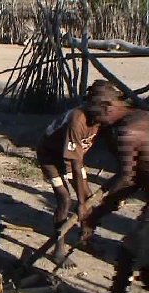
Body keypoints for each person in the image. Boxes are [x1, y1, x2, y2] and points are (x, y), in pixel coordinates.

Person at [36, 80, 128, 269]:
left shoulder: (102, 120)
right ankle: (58, 249)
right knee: (65, 200)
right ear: (97, 108)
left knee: (88, 198)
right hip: (51, 158)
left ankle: (85, 237)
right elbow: (75, 165)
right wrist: (81, 203)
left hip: (71, 159)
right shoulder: (77, 121)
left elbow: (111, 144)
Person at [75, 98, 149, 293]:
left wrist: (95, 215)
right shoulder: (139, 118)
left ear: (110, 109)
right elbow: (132, 179)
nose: (97, 123)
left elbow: (128, 179)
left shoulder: (128, 131)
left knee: (131, 253)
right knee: (132, 252)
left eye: (98, 117)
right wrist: (98, 213)